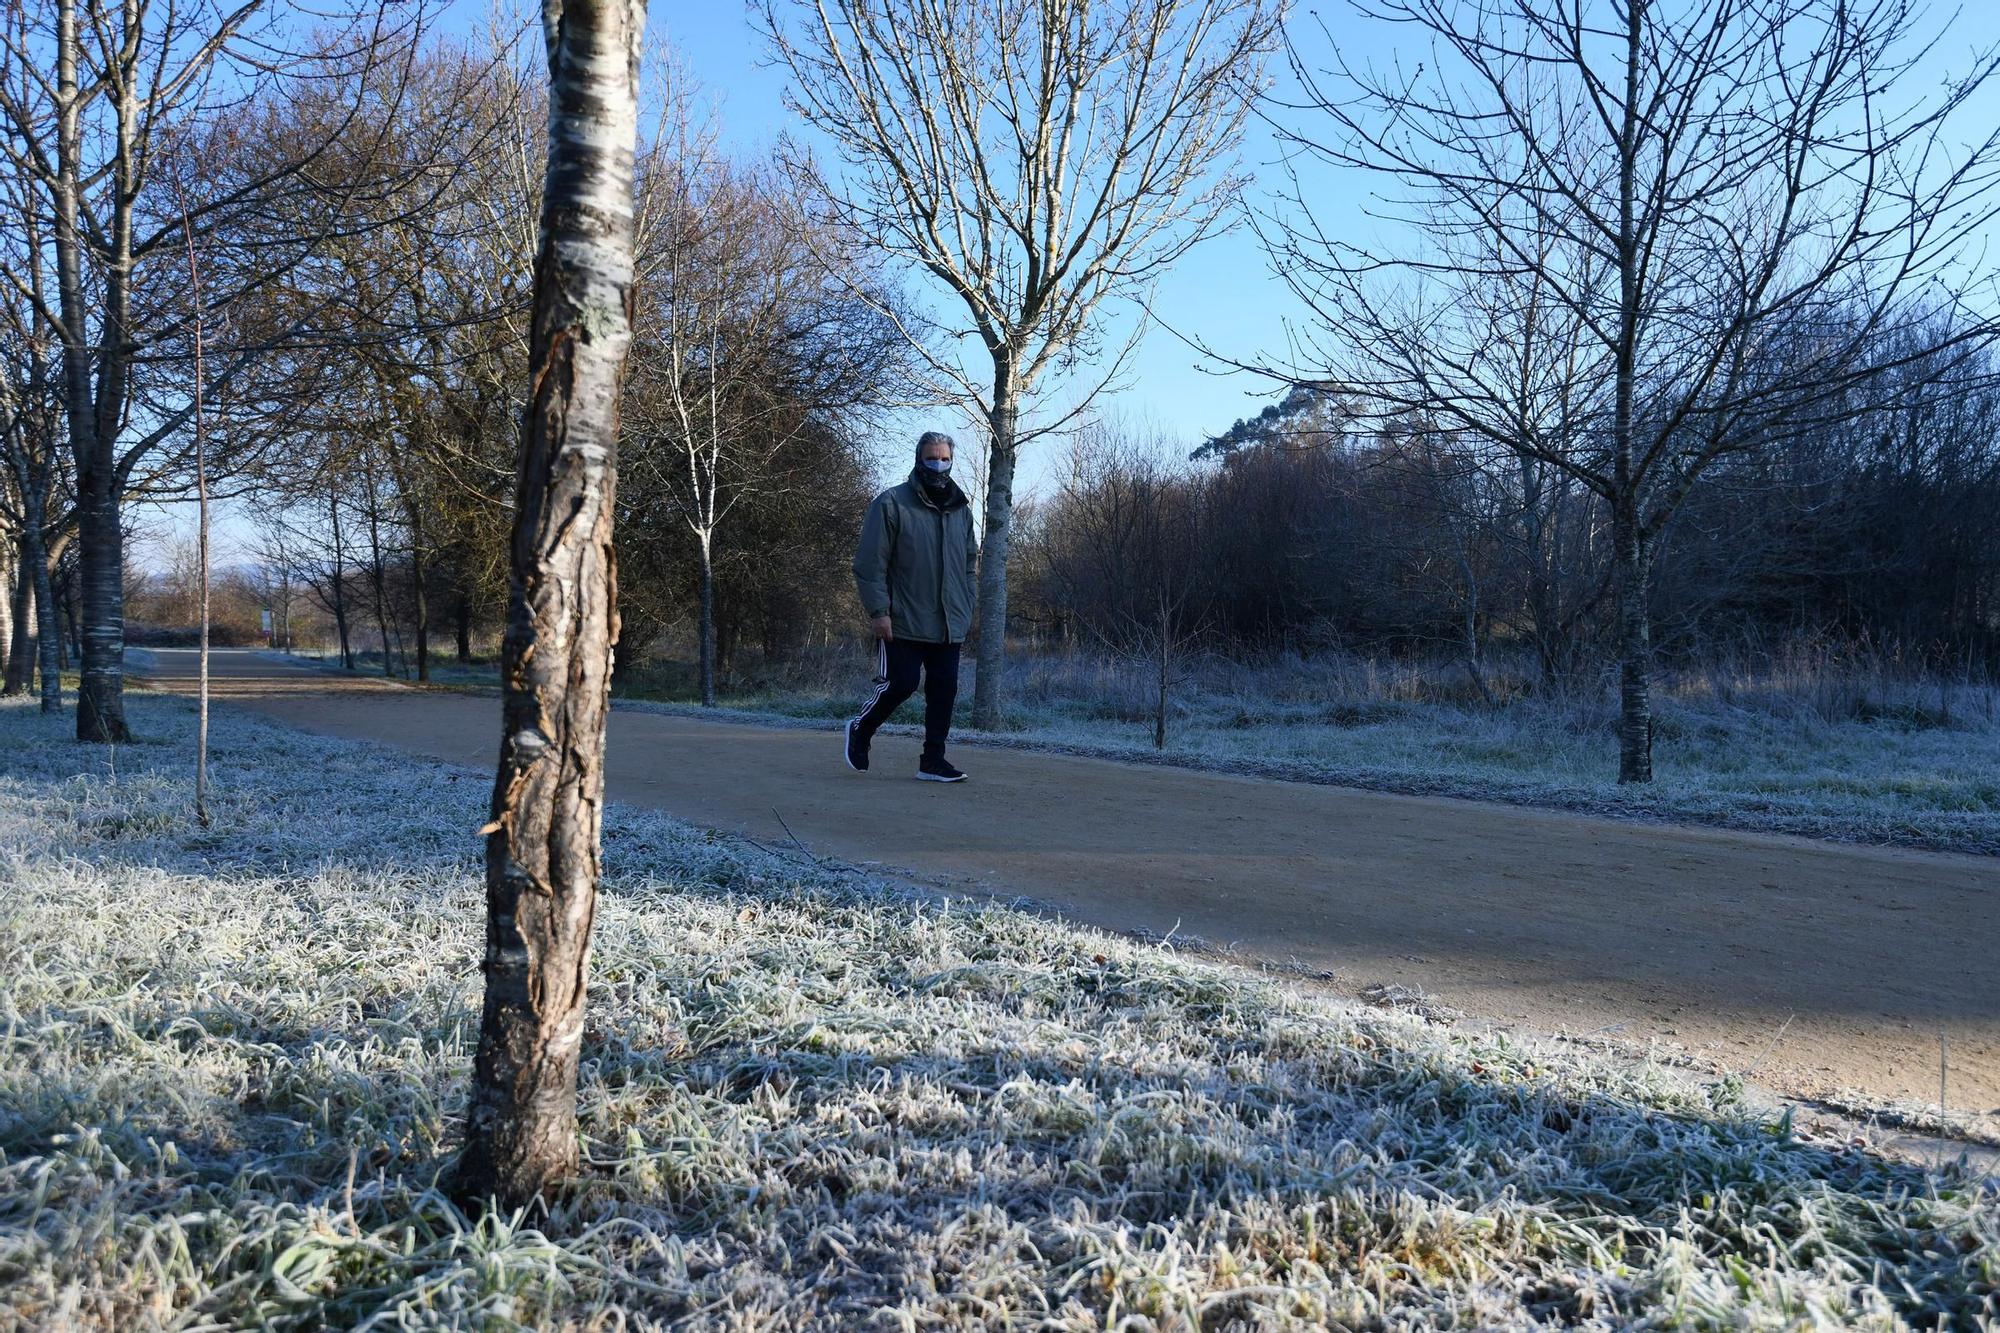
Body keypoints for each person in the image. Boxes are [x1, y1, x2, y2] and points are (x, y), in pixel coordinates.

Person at [846, 430, 978, 781]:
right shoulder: (891, 504)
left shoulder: (961, 510)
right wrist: (878, 611)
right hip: (901, 618)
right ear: (919, 459)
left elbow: (969, 564)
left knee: (944, 689)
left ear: (952, 460)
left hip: (949, 621)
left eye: (945, 458)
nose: (939, 463)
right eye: (932, 457)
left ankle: (933, 761)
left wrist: (967, 603)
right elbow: (869, 563)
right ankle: (861, 729)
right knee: (901, 684)